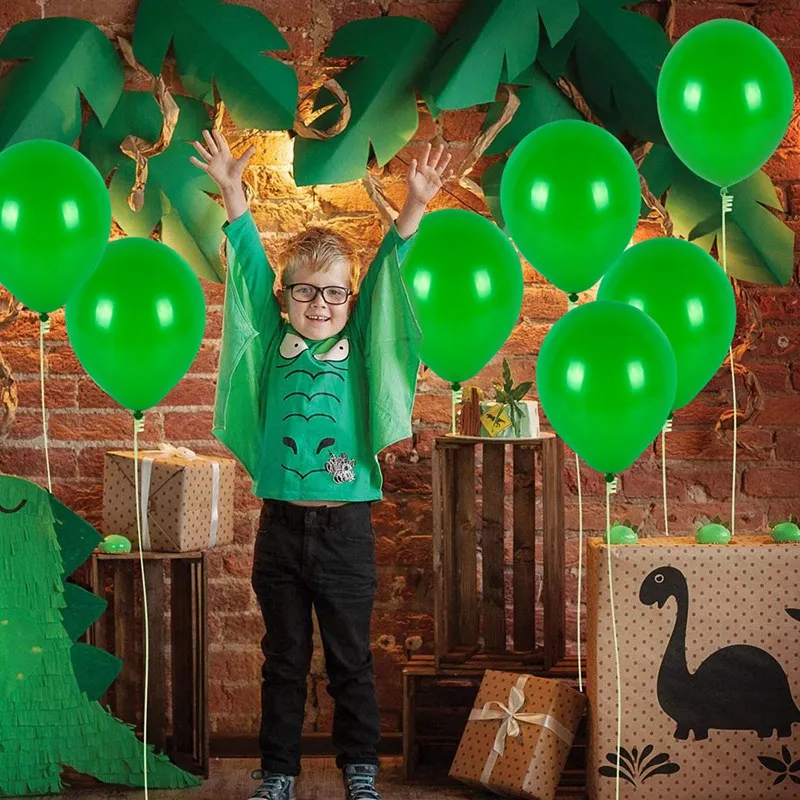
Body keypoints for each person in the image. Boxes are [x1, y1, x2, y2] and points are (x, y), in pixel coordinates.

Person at [191, 129, 450, 800]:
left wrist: (414, 206)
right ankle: (278, 773)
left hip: (346, 532)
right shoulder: (273, 336)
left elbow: (387, 273)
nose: (319, 306)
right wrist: (232, 192)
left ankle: (359, 770)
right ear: (284, 298)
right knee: (283, 661)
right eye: (304, 293)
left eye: (333, 294)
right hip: (280, 529)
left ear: (349, 301)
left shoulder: (358, 340)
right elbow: (251, 266)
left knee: (350, 661)